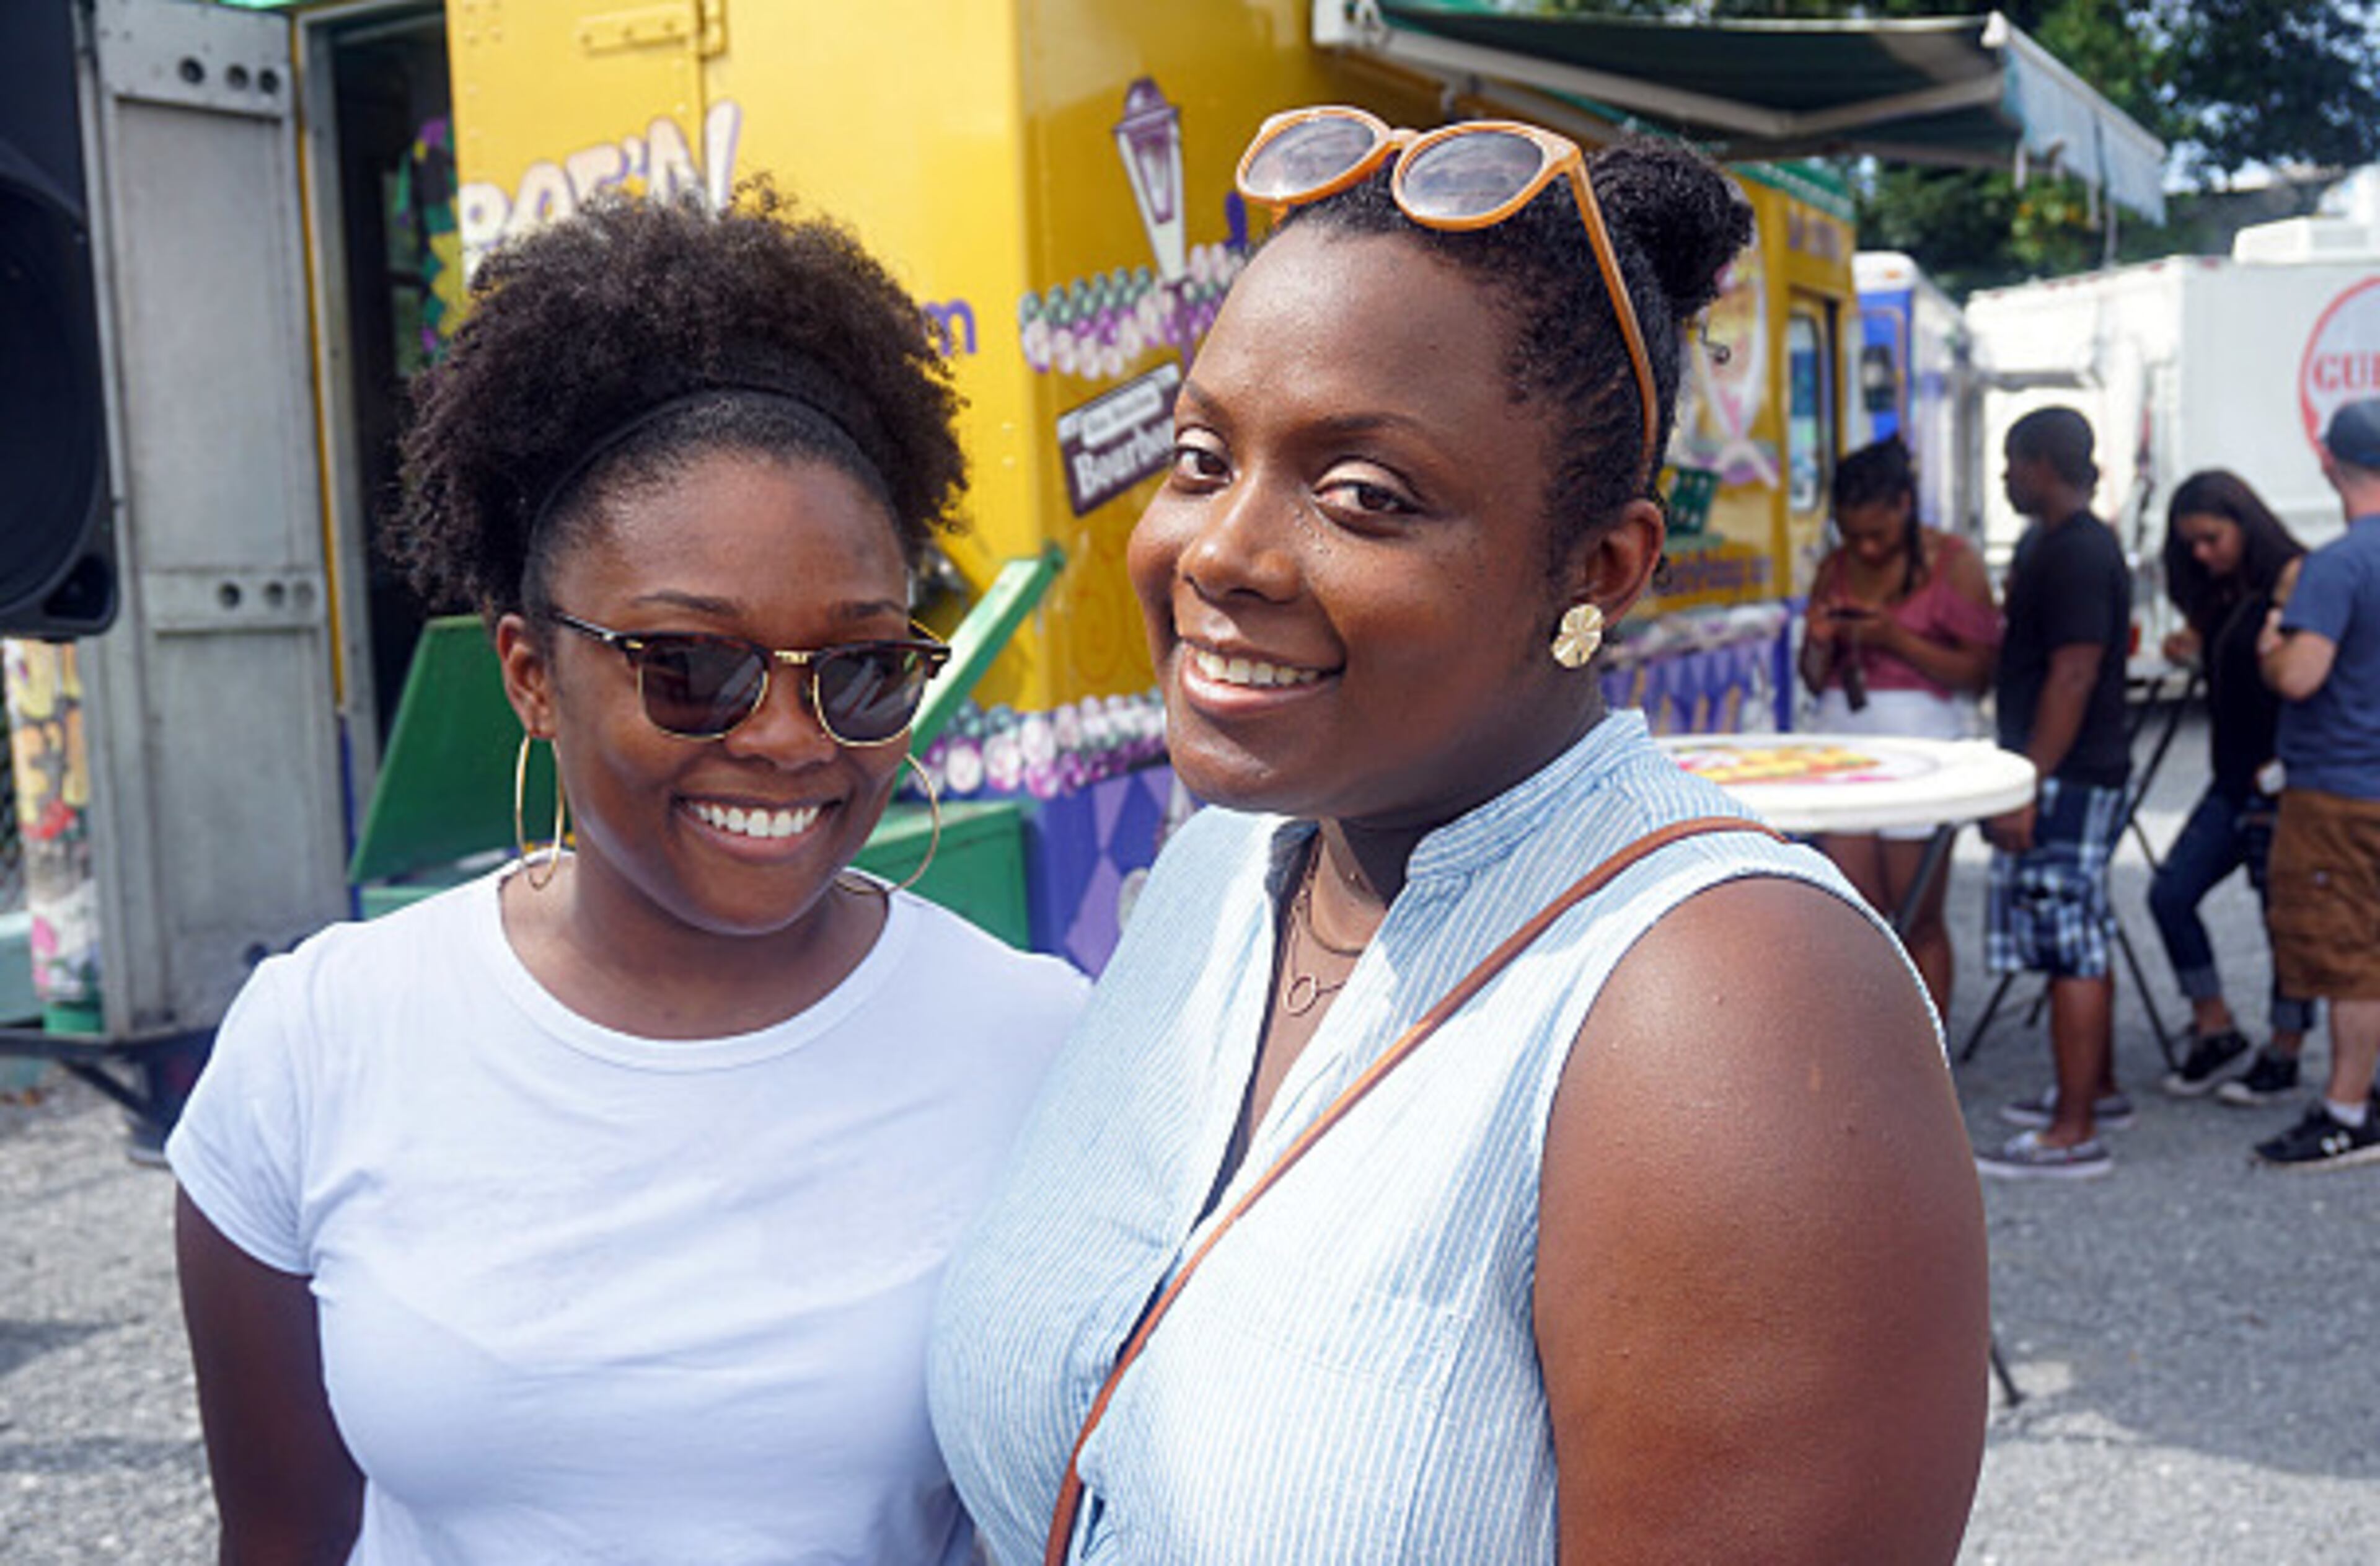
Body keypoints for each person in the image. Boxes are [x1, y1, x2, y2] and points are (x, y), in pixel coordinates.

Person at [931, 108, 1988, 1564]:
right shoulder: (1222, 868)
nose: (1220, 551)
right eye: (1196, 453)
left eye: (1362, 493)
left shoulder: (1721, 1006)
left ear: (1599, 568)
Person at [165, 190, 1087, 1562]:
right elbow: (280, 1541)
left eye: (860, 667)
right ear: (533, 674)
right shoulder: (320, 1041)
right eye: (693, 668)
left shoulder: (1044, 1047)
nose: (787, 739)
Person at [1976, 406, 2135, 1180]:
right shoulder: (2056, 545)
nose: (2005, 477)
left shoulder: (2077, 552)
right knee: (2079, 931)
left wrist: (2025, 782)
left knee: (2070, 942)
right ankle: (2093, 1091)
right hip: (2071, 768)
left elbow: (2074, 671)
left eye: (2012, 462)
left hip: (2068, 772)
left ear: (2043, 464)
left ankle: (2073, 1134)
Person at [1799, 435, 2000, 1014]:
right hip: (1842, 753)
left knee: (1918, 918)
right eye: (1850, 534)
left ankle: (1928, 1057)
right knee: (1854, 920)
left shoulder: (1955, 563)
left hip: (1925, 756)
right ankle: (1868, 1051)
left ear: (1906, 507)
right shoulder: (1835, 568)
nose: (1863, 547)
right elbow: (1815, 678)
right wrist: (1817, 643)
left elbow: (1978, 674)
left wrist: (1894, 638)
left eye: (1877, 535)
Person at [2147, 471, 2316, 1099]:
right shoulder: (2223, 592)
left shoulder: (2296, 581)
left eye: (2212, 538)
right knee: (2170, 893)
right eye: (2191, 543)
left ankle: (2285, 1048)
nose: (2202, 554)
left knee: (2285, 921)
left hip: (2281, 783)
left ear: (2246, 524)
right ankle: (2214, 1025)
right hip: (2229, 779)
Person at [2248, 397, 2380, 1169]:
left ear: (2330, 464)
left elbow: (2301, 676)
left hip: (2340, 790)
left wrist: (2272, 645)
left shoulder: (2338, 565)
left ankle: (2346, 1112)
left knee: (2349, 955)